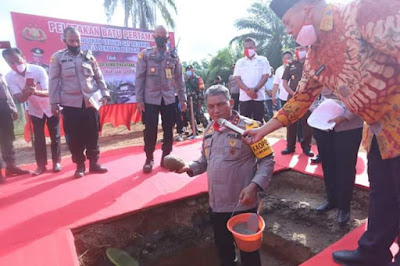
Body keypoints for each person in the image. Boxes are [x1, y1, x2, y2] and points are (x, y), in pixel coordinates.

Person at [245, 0, 400, 265]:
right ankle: (373, 251)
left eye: (287, 23)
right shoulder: (315, 56)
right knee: (383, 194)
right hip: (377, 133)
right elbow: (299, 100)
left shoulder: (363, 11)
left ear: (306, 8)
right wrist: (263, 130)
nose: (288, 32)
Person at [176, 85, 275, 266]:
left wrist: (254, 186)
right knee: (225, 253)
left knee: (250, 254)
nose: (215, 110)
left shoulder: (250, 127)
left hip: (243, 204)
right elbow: (205, 160)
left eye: (220, 105)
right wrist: (189, 167)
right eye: (211, 106)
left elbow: (267, 160)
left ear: (231, 102)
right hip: (217, 205)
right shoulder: (209, 130)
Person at [49, 27, 110, 178]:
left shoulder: (88, 57)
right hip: (71, 105)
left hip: (90, 103)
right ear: (64, 40)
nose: (75, 44)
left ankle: (94, 163)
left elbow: (99, 76)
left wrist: (105, 93)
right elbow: (53, 81)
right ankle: (80, 165)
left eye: (78, 40)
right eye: (72, 40)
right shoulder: (58, 58)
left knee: (93, 135)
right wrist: (53, 102)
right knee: (74, 138)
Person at [135, 25, 187, 173]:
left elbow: (179, 78)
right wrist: (139, 100)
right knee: (150, 130)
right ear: (153, 37)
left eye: (163, 37)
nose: (160, 39)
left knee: (169, 129)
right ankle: (149, 158)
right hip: (150, 99)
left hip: (169, 98)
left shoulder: (173, 56)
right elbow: (139, 78)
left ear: (167, 38)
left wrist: (182, 99)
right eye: (158, 36)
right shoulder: (145, 55)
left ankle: (166, 157)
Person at [3, 48, 61, 176]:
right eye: (10, 63)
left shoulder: (38, 70)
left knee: (55, 136)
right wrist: (25, 92)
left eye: (17, 60)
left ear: (23, 57)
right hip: (34, 110)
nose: (15, 65)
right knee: (38, 139)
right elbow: (18, 98)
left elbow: (48, 92)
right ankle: (41, 165)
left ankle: (57, 162)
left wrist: (34, 91)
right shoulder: (9, 77)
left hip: (50, 106)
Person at [312, 88, 363, 225]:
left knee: (345, 166)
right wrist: (314, 109)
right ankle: (332, 199)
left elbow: (364, 94)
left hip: (349, 124)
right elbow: (309, 90)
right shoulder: (319, 68)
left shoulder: (357, 67)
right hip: (323, 122)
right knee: (328, 164)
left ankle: (344, 207)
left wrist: (346, 116)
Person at [280, 45, 314, 157]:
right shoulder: (291, 64)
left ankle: (306, 147)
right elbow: (285, 82)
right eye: (298, 48)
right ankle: (290, 147)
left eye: (303, 48)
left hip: (307, 98)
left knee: (307, 124)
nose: (301, 51)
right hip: (293, 98)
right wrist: (292, 93)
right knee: (291, 123)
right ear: (295, 51)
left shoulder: (312, 62)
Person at [0, 73, 30, 183]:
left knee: (7, 140)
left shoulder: (1, 75)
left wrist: (12, 108)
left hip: (4, 107)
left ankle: (10, 166)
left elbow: (6, 92)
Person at [234, 38, 271, 124]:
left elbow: (265, 76)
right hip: (244, 97)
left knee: (258, 121)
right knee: (244, 122)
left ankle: (259, 138)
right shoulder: (240, 62)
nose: (248, 50)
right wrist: (248, 91)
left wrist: (255, 90)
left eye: (250, 47)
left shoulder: (263, 60)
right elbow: (237, 79)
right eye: (246, 48)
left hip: (259, 97)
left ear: (255, 48)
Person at [185, 65, 208, 131]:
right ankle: (194, 131)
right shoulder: (186, 80)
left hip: (197, 100)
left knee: (200, 115)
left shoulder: (198, 79)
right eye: (187, 71)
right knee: (190, 116)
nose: (188, 72)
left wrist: (200, 101)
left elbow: (201, 90)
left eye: (189, 70)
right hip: (189, 101)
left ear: (193, 70)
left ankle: (208, 128)